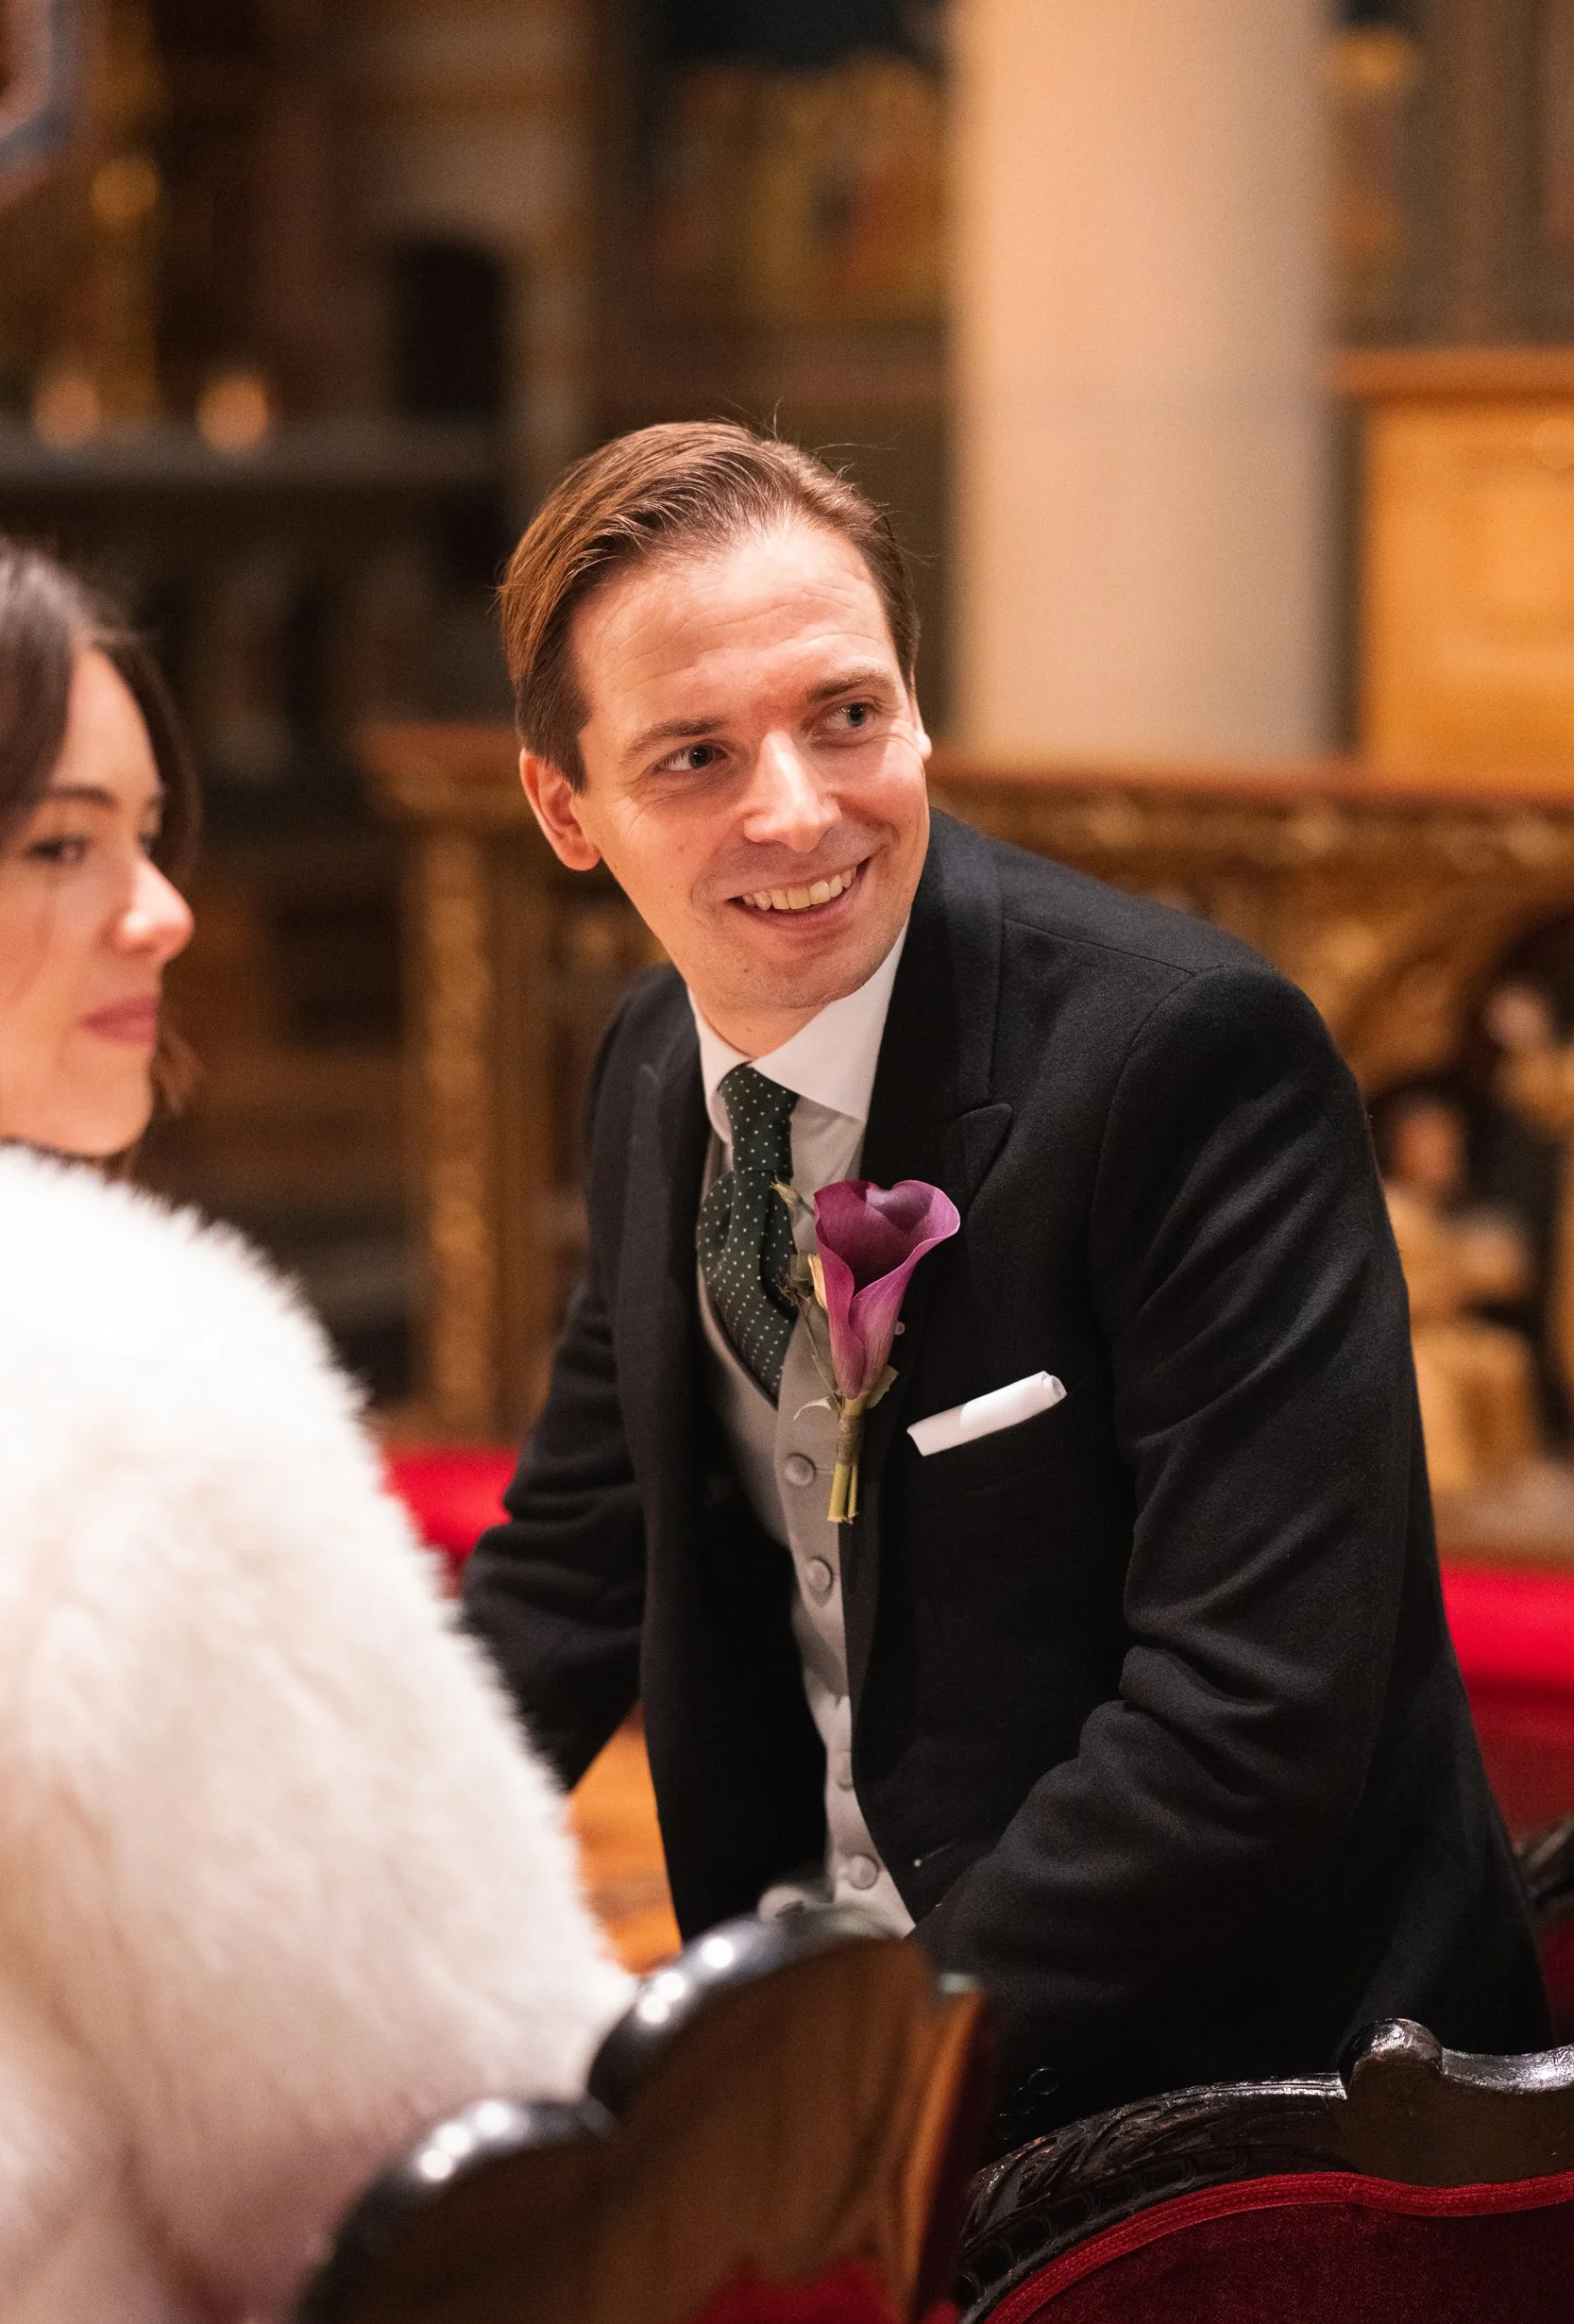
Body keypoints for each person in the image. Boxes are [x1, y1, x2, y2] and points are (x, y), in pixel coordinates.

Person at [463, 421, 1548, 2146]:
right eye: (691, 756)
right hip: (819, 2047)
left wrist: (869, 2073)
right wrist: (293, 1898)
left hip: (1246, 2109)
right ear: (563, 809)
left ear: (914, 705)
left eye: (844, 715)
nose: (796, 809)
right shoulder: (654, 1073)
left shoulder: (1184, 1061)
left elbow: (1248, 1720)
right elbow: (577, 1569)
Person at [0, 543, 629, 2324]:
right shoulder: (114, 1375)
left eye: (145, 832)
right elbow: (452, 2154)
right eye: (60, 845)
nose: (162, 909)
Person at [1376, 1084, 1542, 1497]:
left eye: (1452, 1144)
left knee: (1505, 1358)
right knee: (1430, 1385)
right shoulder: (1392, 1208)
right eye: (1434, 1144)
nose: (1448, 1154)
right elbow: (1387, 1293)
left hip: (1450, 1332)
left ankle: (1507, 1479)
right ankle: (1447, 1495)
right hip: (1410, 1337)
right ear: (1403, 1148)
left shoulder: (1439, 1209)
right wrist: (1455, 1282)